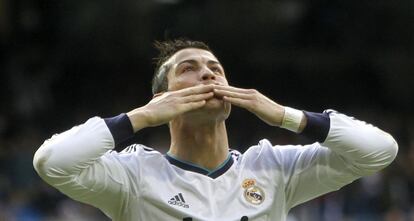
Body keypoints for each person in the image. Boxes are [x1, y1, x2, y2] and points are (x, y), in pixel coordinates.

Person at [33, 39, 398, 221]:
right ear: (163, 98)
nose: (208, 74)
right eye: (188, 69)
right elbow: (52, 161)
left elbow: (380, 150)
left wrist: (288, 116)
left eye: (215, 68)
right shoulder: (133, 177)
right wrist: (141, 117)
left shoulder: (273, 168)